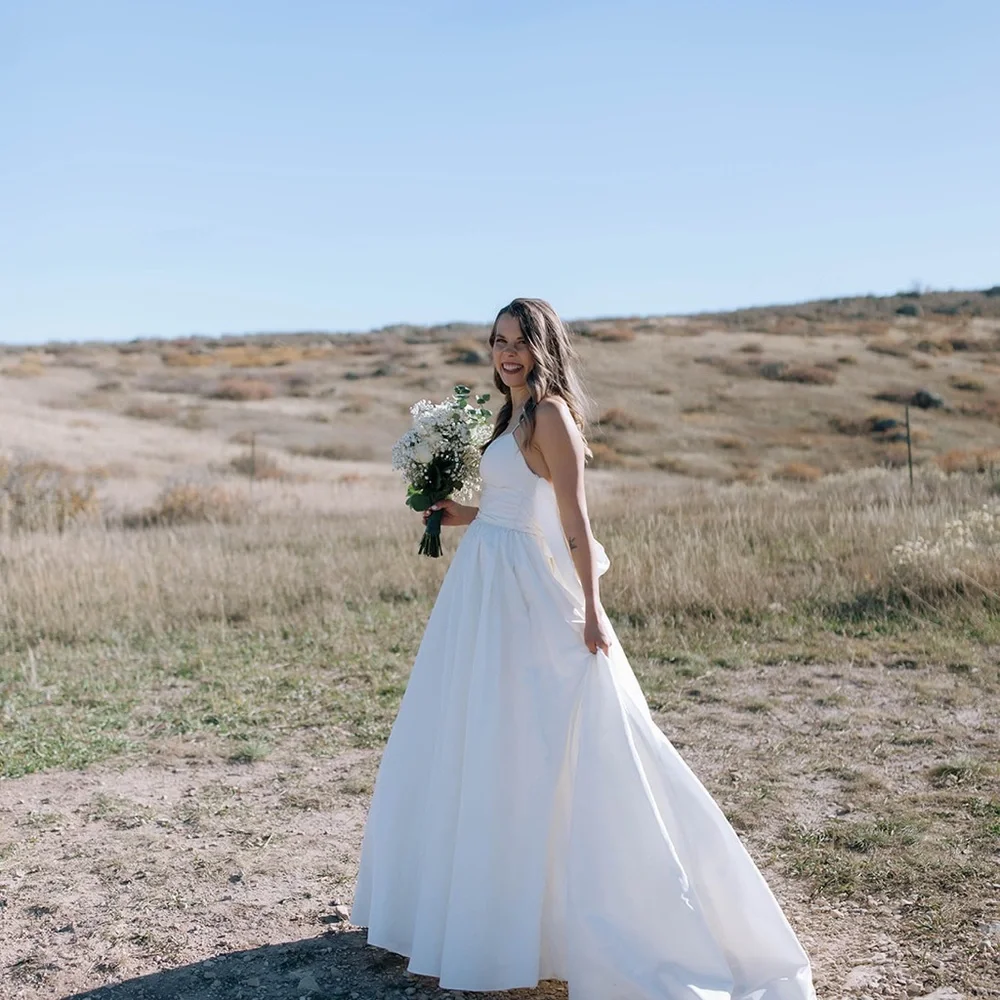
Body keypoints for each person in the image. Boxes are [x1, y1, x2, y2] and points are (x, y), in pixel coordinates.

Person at [350, 298, 816, 999]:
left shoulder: (552, 414)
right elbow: (521, 503)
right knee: (487, 740)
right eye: (499, 341)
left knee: (557, 740)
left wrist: (593, 610)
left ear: (545, 347)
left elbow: (573, 515)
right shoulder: (512, 415)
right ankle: (493, 914)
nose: (507, 353)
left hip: (528, 594)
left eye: (520, 342)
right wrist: (463, 513)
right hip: (485, 589)